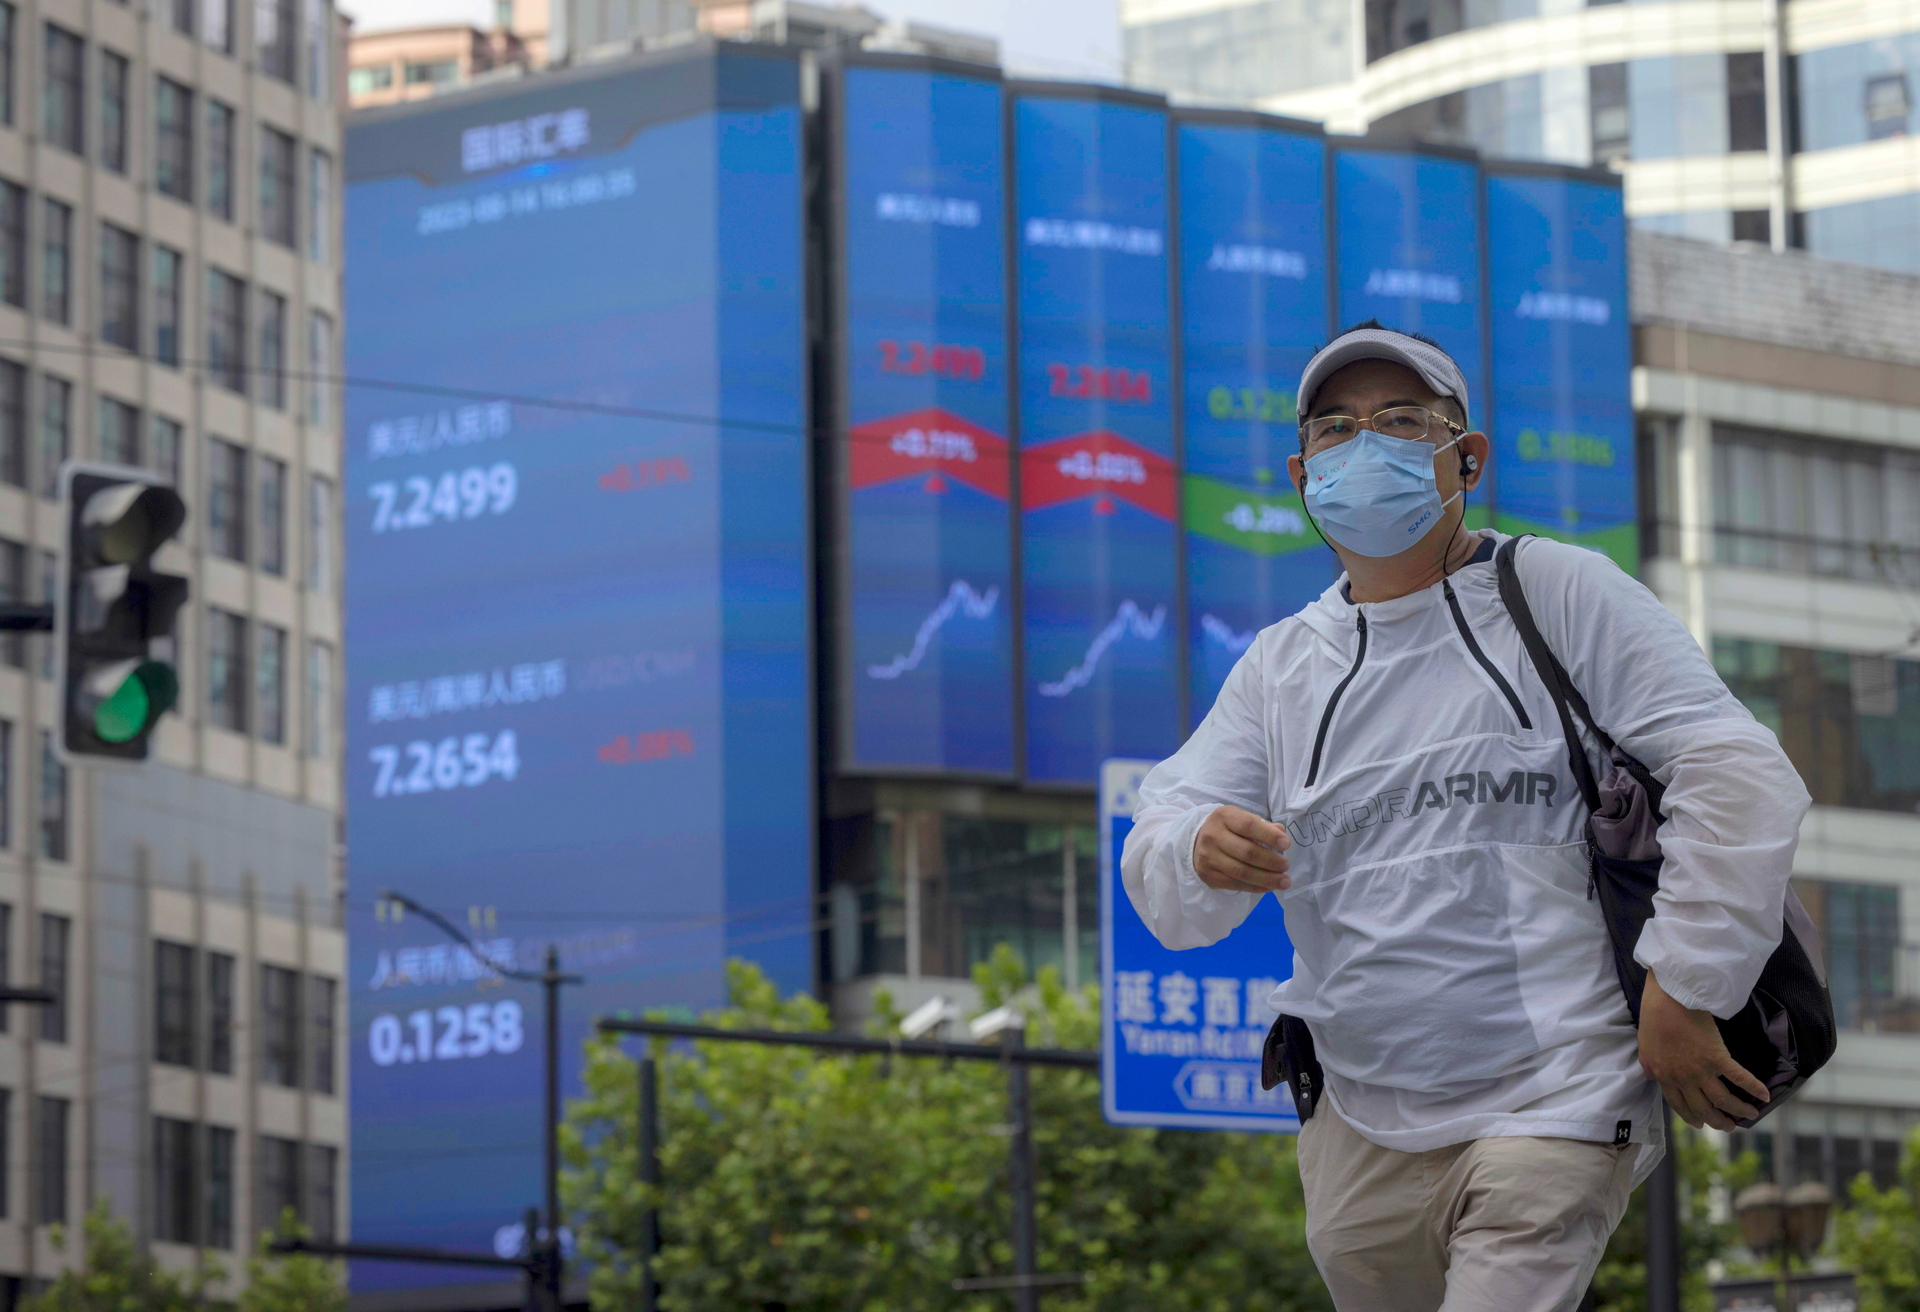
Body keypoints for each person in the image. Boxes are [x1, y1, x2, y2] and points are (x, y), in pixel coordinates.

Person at [1120, 323, 1810, 1311]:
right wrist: (1197, 844)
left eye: (1401, 422)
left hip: (1557, 1096)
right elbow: (1164, 833)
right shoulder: (1281, 666)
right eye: (1335, 429)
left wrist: (1685, 982)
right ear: (1302, 474)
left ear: (1467, 458)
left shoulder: (1556, 592)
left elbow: (1733, 768)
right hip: (1361, 1121)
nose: (1365, 447)